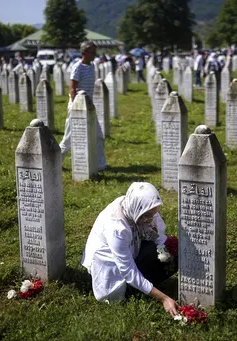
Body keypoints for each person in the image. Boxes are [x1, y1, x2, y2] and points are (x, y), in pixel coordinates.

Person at [81, 182, 179, 316]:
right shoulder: (117, 228)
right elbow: (128, 271)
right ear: (138, 209)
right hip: (111, 270)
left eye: (153, 213)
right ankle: (131, 291)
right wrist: (164, 298)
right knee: (149, 259)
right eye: (147, 215)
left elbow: (158, 236)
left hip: (130, 252)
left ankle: (146, 284)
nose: (151, 219)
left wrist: (173, 250)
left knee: (164, 253)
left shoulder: (137, 205)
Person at [58, 41, 106, 170]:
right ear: (84, 53)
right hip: (77, 106)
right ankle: (55, 161)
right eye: (93, 52)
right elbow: (72, 88)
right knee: (68, 139)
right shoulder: (77, 66)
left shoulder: (92, 66)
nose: (95, 54)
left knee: (99, 136)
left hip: (88, 106)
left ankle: (101, 165)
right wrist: (75, 107)